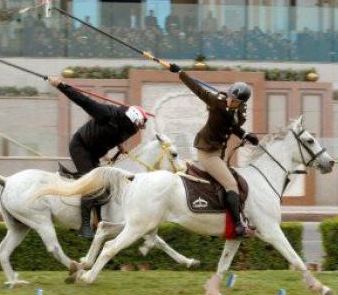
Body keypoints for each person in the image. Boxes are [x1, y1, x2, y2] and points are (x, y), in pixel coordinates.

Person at [167, 62, 259, 237]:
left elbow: (233, 126)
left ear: (241, 103)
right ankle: (238, 225)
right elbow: (197, 89)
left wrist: (245, 135)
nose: (231, 101)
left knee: (233, 180)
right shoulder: (217, 102)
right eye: (231, 97)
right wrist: (181, 72)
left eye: (235, 101)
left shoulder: (239, 112)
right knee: (231, 184)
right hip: (207, 153)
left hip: (219, 154)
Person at [48, 76, 147, 238]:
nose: (139, 129)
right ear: (132, 121)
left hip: (94, 152)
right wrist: (60, 85)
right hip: (81, 146)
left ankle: (98, 222)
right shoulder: (107, 113)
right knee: (93, 186)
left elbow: (118, 134)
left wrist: (119, 145)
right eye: (139, 126)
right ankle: (84, 226)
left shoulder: (128, 127)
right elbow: (83, 100)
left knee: (105, 188)